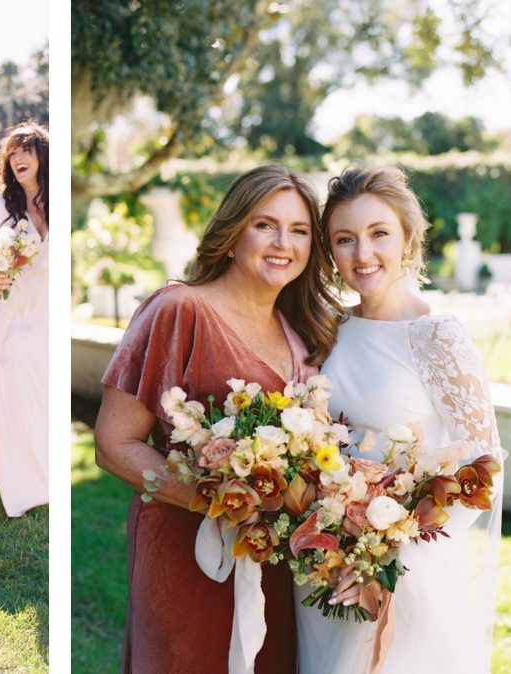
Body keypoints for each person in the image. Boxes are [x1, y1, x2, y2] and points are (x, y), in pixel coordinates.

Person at [94, 164, 342, 672]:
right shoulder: (179, 310)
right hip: (186, 556)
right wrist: (228, 503)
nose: (283, 243)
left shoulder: (302, 331)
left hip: (271, 561)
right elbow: (113, 444)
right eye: (264, 224)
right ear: (232, 233)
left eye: (298, 231)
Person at [295, 164, 504, 674]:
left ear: (407, 237)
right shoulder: (332, 327)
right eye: (345, 239)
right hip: (325, 560)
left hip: (403, 573)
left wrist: (386, 561)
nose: (362, 255)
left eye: (378, 234)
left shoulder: (436, 335)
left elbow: (484, 466)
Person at [0, 122, 50, 517]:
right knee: (14, 383)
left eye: (26, 151)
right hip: (9, 310)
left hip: (46, 311)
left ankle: (45, 467)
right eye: (12, 153)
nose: (18, 158)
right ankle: (19, 481)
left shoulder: (57, 201)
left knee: (41, 391)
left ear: (41, 156)